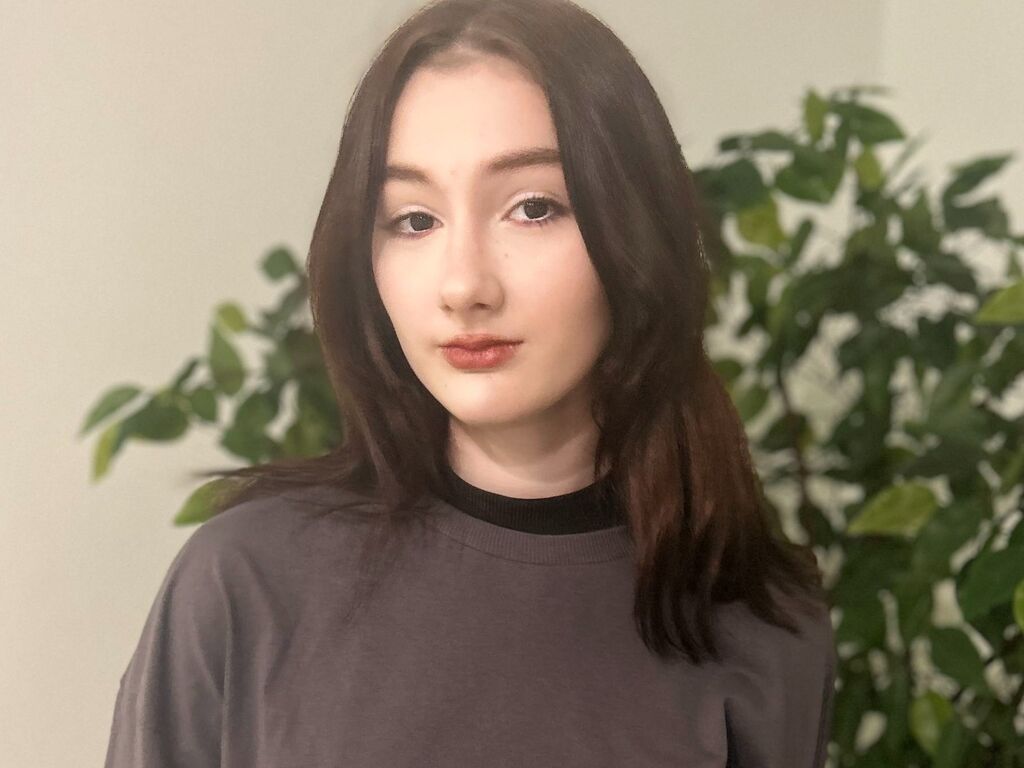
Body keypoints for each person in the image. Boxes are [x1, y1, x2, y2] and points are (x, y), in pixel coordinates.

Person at [104, 0, 837, 765]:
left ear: (634, 229)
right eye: (414, 220)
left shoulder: (763, 626)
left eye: (533, 208)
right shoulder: (246, 582)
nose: (463, 286)